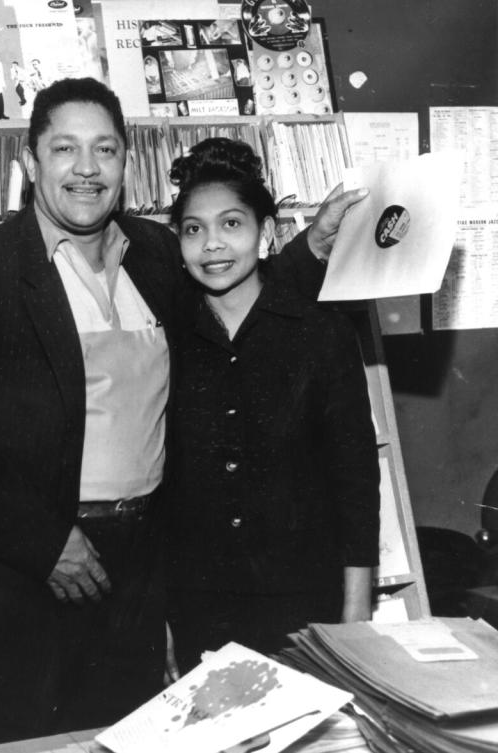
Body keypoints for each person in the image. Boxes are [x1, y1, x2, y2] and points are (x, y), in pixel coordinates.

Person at [0, 77, 366, 752]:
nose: (87, 168)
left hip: (136, 581)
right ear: (28, 163)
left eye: (105, 149)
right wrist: (44, 541)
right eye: (65, 149)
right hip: (12, 577)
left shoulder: (159, 256)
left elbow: (235, 286)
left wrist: (311, 245)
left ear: (124, 163)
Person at [165, 137, 380, 673]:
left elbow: (355, 481)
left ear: (265, 233)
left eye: (231, 224)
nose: (212, 245)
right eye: (194, 229)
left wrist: (356, 611)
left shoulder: (322, 333)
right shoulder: (167, 339)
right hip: (201, 607)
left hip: (307, 606)